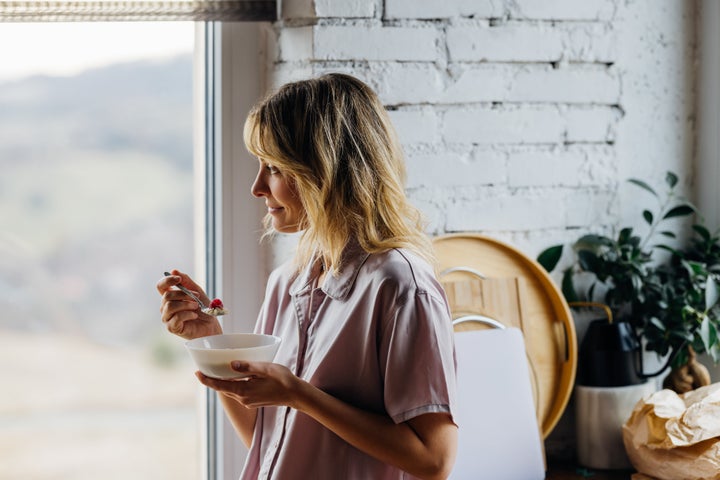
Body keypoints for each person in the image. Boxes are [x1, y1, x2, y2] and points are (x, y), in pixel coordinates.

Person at [156, 73, 458, 480]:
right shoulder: (288, 282)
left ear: (325, 171)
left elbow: (434, 460)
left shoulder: (402, 287)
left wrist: (299, 395)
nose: (257, 187)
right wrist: (208, 337)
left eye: (274, 168)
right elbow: (272, 445)